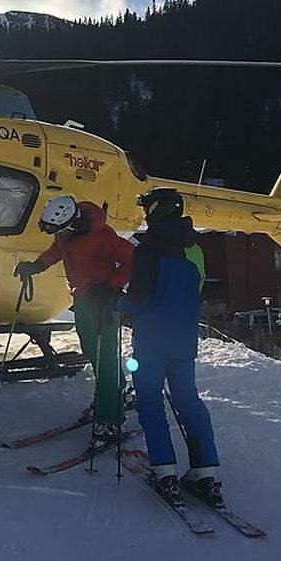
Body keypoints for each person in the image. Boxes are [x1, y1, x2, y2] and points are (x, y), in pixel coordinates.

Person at [117, 187, 222, 507]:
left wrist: (114, 302)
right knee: (189, 401)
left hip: (151, 341)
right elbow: (195, 290)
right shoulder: (195, 249)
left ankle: (165, 470)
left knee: (150, 404)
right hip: (184, 340)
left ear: (157, 210)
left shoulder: (147, 250)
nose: (145, 214)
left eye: (147, 208)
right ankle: (206, 472)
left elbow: (138, 299)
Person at [13, 196, 133, 443]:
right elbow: (57, 251)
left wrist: (112, 286)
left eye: (58, 230)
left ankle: (111, 418)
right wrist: (35, 266)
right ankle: (114, 394)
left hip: (103, 304)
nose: (56, 235)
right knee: (92, 352)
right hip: (82, 301)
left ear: (71, 222)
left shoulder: (103, 236)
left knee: (105, 359)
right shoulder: (64, 234)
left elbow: (134, 259)